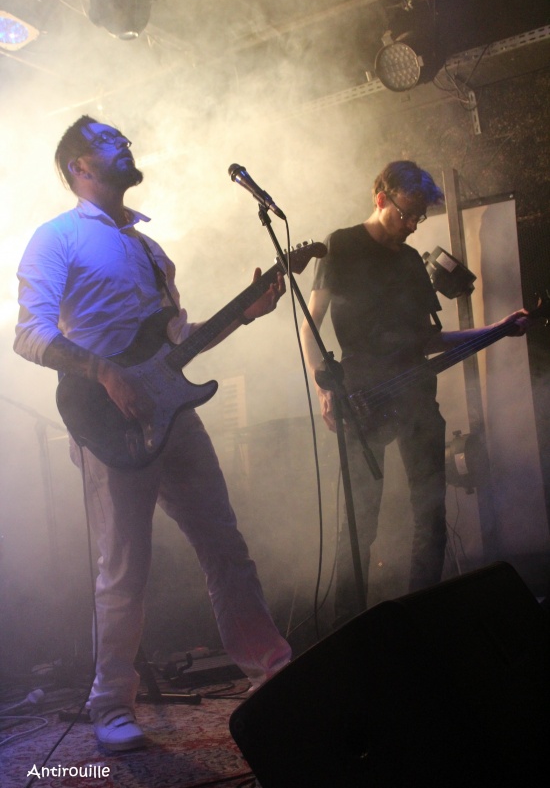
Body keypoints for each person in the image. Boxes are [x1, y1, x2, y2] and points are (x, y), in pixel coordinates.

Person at [14, 116, 291, 751]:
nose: (126, 145)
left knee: (225, 545)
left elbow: (175, 344)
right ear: (79, 165)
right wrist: (105, 373)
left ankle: (271, 668)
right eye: (110, 141)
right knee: (125, 566)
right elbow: (28, 333)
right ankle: (110, 702)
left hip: (175, 414)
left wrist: (244, 314)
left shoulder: (148, 247)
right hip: (108, 419)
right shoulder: (56, 237)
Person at [300, 160, 532, 626]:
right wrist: (324, 387)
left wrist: (496, 329)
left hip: (417, 398)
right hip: (361, 397)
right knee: (359, 524)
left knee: (431, 515)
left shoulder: (409, 262)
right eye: (406, 213)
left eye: (419, 217)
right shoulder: (341, 245)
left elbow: (430, 340)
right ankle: (350, 629)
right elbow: (311, 324)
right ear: (380, 197)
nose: (412, 225)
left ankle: (419, 622)